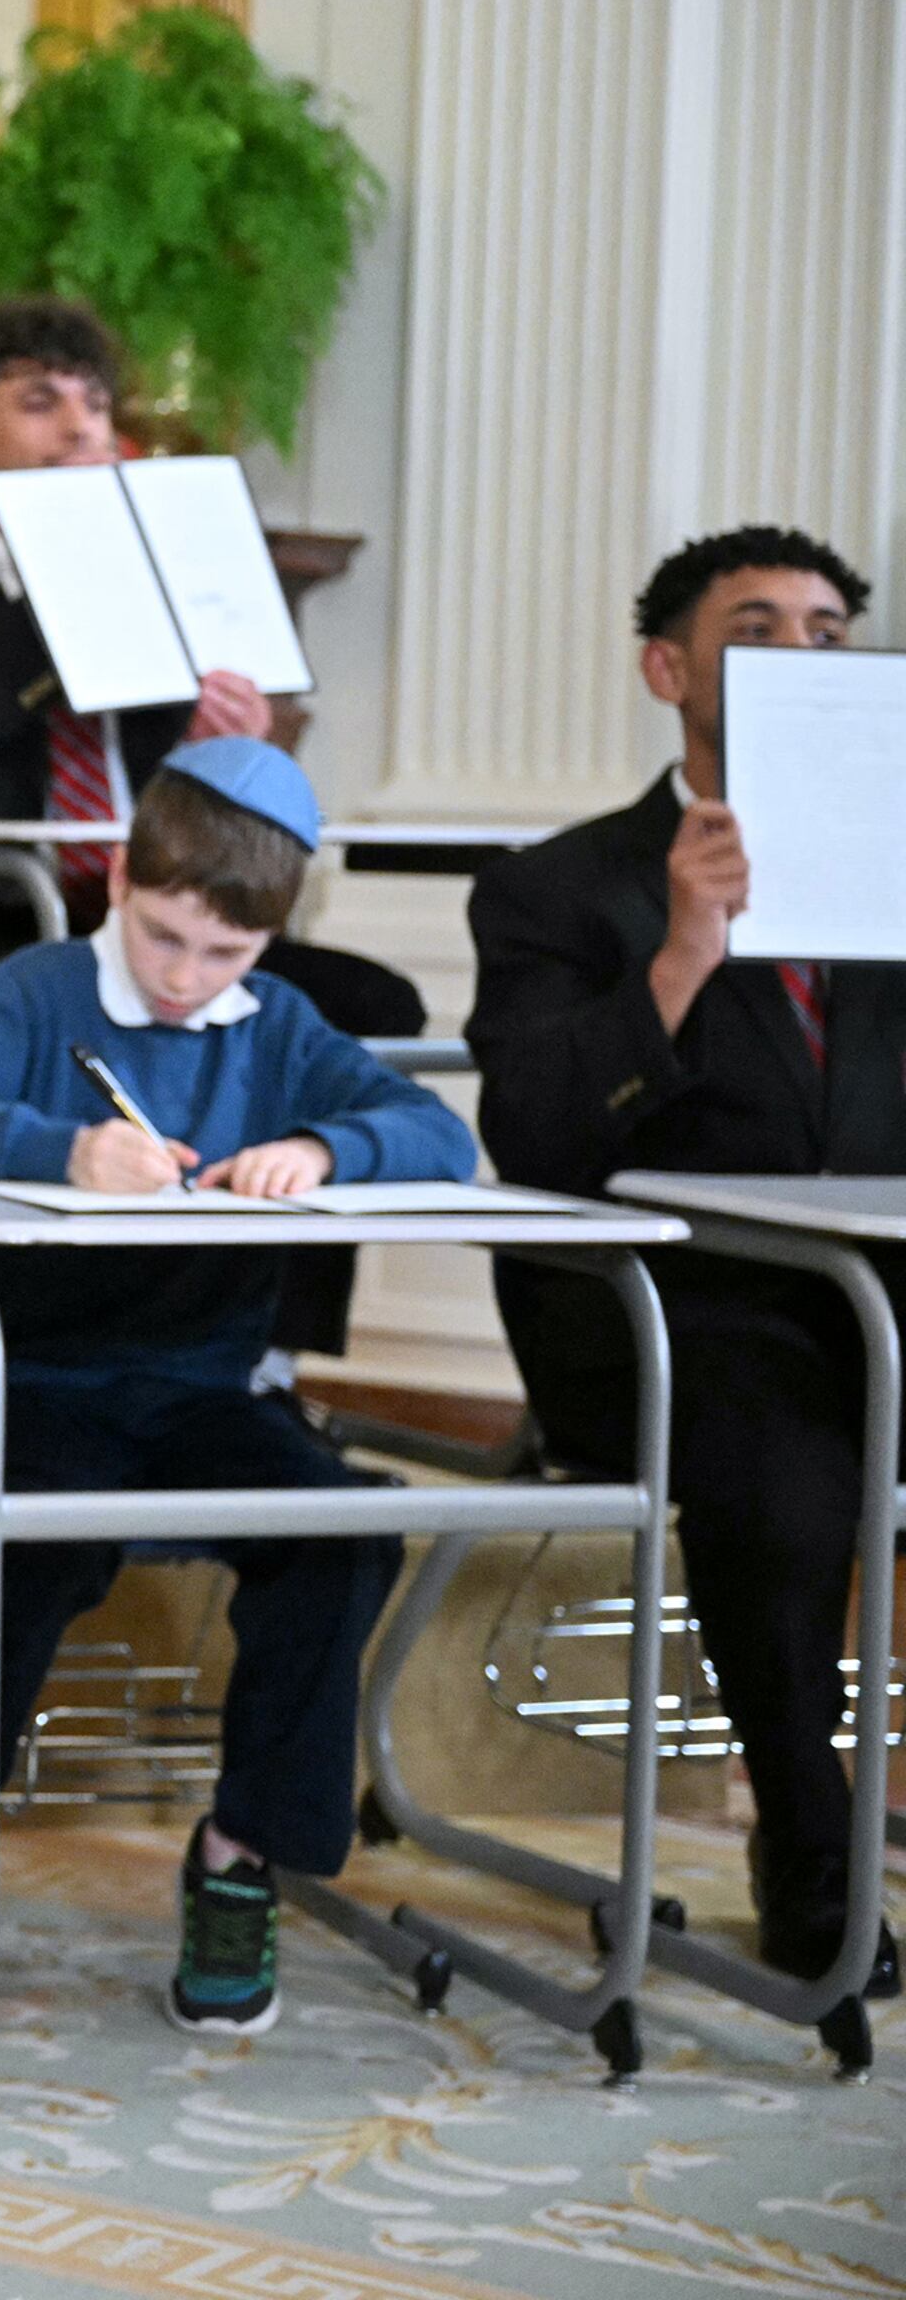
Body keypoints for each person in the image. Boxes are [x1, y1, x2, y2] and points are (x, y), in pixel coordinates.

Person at [0, 738, 475, 2038]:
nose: (183, 977)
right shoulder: (38, 991)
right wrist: (63, 1150)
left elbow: (439, 1135)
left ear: (266, 941)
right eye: (164, 937)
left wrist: (323, 1146)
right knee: (49, 1523)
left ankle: (240, 1851)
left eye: (225, 954)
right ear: (118, 880)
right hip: (24, 1376)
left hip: (199, 1392)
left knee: (341, 1535)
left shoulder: (278, 1026)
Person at [0, 295, 422, 1380]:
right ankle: (14, 1357)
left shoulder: (163, 585)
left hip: (151, 914)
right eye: (42, 403)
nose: (82, 428)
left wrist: (229, 743)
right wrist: (58, 600)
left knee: (367, 1005)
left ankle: (265, 1350)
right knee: (10, 1013)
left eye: (94, 405)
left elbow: (199, 809)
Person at [466, 526, 900, 1997]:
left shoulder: (891, 856)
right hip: (670, 1304)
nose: (801, 654)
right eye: (756, 628)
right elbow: (535, 1133)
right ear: (668, 669)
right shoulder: (559, 886)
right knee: (780, 1477)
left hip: (878, 1295)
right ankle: (812, 1846)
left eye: (827, 632)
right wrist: (683, 952)